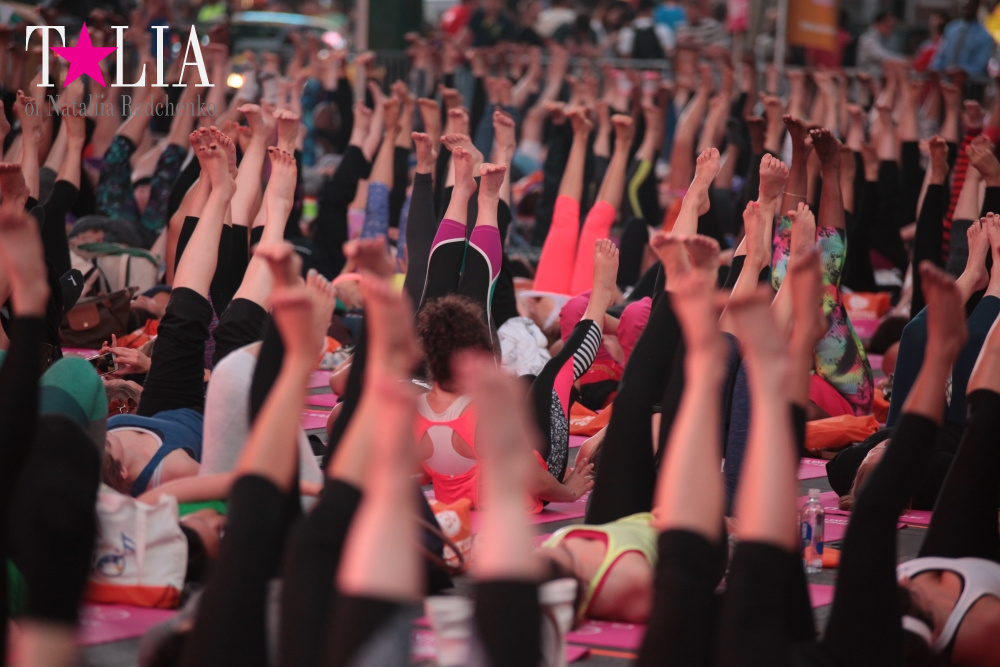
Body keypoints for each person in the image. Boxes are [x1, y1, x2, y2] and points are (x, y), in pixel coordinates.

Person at [930, 0, 996, 77]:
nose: (965, 11)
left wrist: (959, 72)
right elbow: (941, 56)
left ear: (976, 8)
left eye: (969, 8)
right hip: (946, 80)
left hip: (970, 83)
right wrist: (935, 69)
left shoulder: (984, 36)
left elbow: (979, 65)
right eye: (963, 8)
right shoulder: (951, 29)